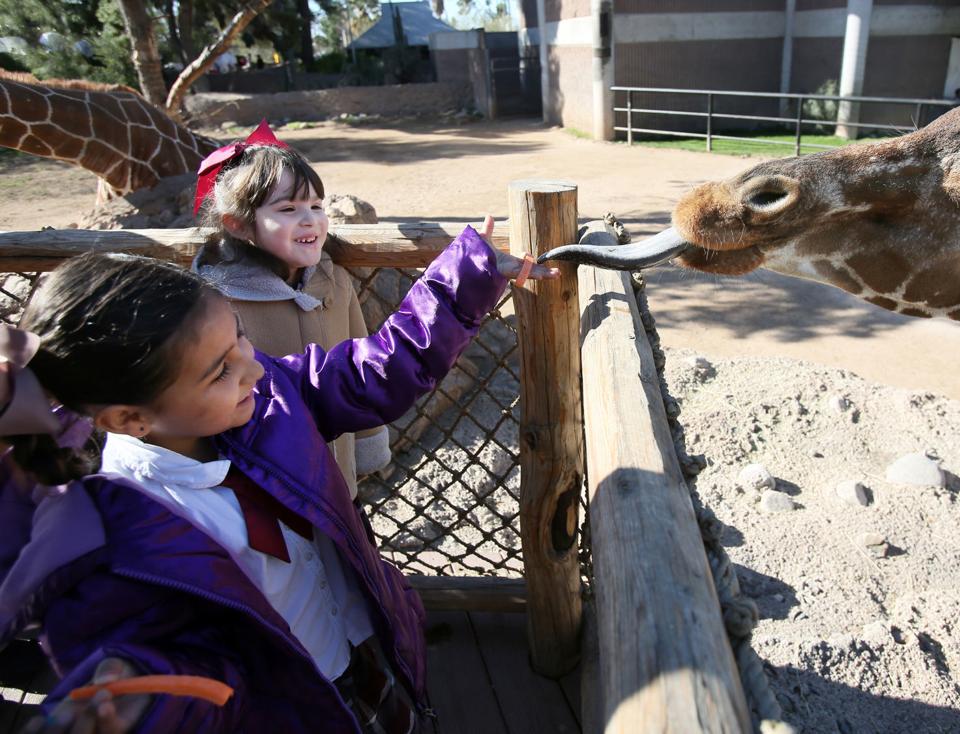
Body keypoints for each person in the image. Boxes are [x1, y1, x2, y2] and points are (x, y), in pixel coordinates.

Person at [0, 232, 557, 732]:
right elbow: (171, 669)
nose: (254, 366)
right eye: (220, 370)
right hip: (293, 702)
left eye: (239, 338)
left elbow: (376, 371)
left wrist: (464, 280)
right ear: (129, 420)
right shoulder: (120, 543)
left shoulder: (269, 400)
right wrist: (140, 705)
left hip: (370, 643)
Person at [192, 121, 388, 508]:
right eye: (287, 209)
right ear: (239, 224)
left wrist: (368, 442)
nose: (310, 219)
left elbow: (360, 364)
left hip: (340, 484)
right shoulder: (214, 302)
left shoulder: (334, 282)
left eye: (316, 205)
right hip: (265, 493)